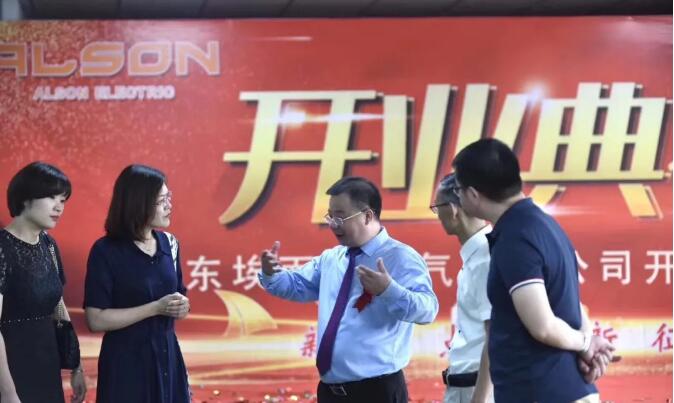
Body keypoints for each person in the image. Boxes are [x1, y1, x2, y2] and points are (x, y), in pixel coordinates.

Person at [451, 138, 616, 403]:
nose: (457, 197)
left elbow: (543, 326)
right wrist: (586, 343)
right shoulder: (543, 225)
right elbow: (572, 306)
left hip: (541, 391)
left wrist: (586, 343)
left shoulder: (516, 238)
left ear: (473, 194)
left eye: (457, 189)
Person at [259, 176, 439, 402]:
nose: (333, 224)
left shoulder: (400, 257)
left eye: (340, 217)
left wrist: (388, 290)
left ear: (367, 216)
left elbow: (427, 310)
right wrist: (272, 273)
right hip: (330, 391)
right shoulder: (332, 258)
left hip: (377, 391)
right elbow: (297, 286)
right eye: (330, 216)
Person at [83, 164, 190, 403]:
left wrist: (182, 306)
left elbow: (180, 299)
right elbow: (95, 319)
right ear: (138, 203)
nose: (169, 205)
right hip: (126, 365)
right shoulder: (106, 251)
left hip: (167, 358)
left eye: (169, 197)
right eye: (161, 200)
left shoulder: (170, 244)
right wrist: (155, 308)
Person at [0, 162, 86, 403]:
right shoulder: (2, 248)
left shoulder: (48, 245)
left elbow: (58, 307)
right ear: (26, 197)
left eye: (63, 200)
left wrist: (76, 366)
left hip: (46, 364)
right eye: (51, 197)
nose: (59, 207)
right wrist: (7, 393)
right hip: (10, 369)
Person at [432, 173, 493, 403]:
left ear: (452, 209)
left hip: (477, 388)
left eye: (437, 208)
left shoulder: (484, 260)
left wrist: (480, 398)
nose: (438, 216)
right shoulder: (477, 256)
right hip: (466, 385)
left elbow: (495, 335)